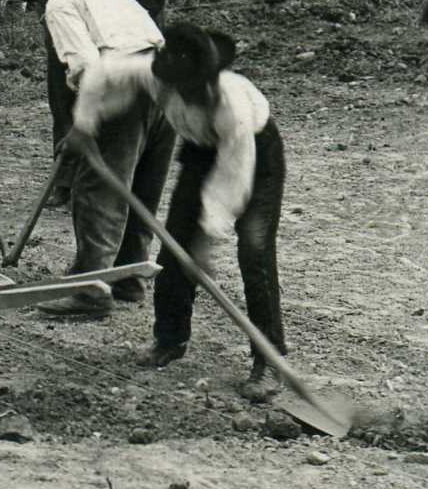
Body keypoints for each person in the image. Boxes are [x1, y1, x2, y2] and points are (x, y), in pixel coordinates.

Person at [71, 23, 289, 402]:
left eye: (206, 82)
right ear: (170, 81)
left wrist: (206, 241)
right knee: (174, 248)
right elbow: (100, 71)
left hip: (256, 156)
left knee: (254, 253)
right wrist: (83, 125)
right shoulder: (150, 72)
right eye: (189, 86)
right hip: (199, 153)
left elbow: (232, 181)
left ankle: (268, 360)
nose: (200, 91)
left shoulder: (232, 106)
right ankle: (170, 339)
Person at [40, 0, 167, 318]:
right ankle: (128, 278)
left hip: (120, 85)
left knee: (97, 187)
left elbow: (86, 66)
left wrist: (82, 127)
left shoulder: (58, 3)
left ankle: (91, 291)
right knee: (142, 184)